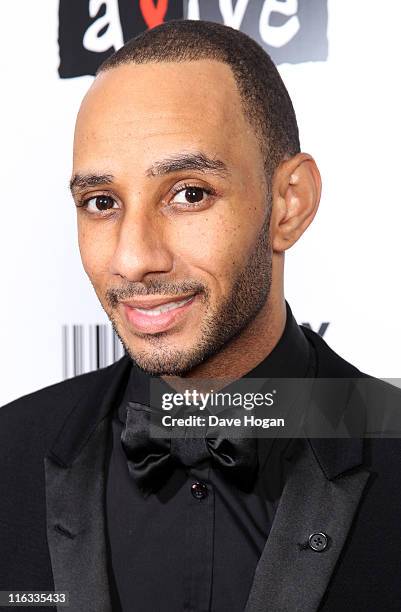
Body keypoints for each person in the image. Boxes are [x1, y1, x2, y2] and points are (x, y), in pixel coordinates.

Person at [0, 19, 400, 612]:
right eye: (101, 203)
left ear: (289, 203)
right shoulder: (9, 455)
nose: (134, 260)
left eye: (189, 193)